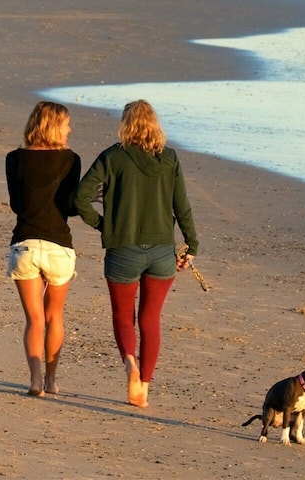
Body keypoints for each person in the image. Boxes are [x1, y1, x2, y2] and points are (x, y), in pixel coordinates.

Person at [74, 99, 199, 407]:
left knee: (122, 315)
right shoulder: (169, 159)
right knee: (151, 318)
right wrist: (192, 245)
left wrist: (104, 226)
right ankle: (144, 386)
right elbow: (181, 205)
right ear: (154, 124)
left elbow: (80, 198)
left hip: (122, 249)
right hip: (161, 252)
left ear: (125, 124)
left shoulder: (112, 157)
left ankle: (130, 363)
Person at [5, 101, 82, 397]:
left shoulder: (14, 158)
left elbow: (16, 205)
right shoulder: (70, 159)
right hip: (58, 246)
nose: (69, 129)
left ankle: (35, 380)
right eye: (66, 124)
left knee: (34, 319)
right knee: (54, 317)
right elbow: (70, 207)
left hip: (25, 242)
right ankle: (51, 381)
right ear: (54, 126)